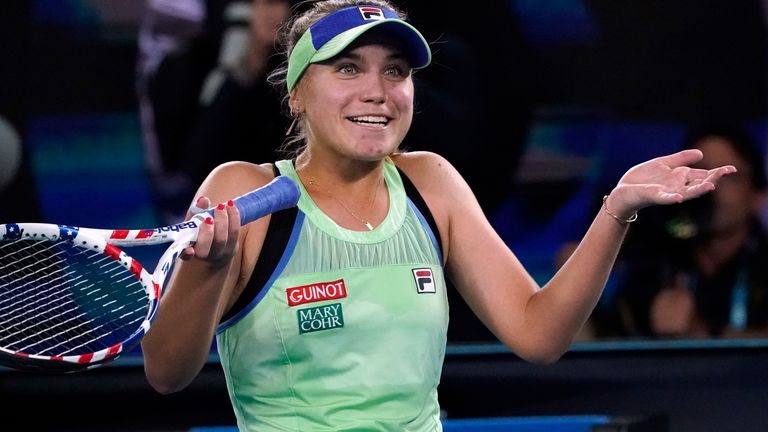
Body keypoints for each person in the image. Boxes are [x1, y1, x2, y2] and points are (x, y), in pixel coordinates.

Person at [140, 1, 736, 429]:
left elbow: (540, 333)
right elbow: (166, 373)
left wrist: (617, 210)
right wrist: (207, 269)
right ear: (296, 93)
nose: (378, 90)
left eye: (395, 71)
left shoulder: (432, 183)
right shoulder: (242, 190)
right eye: (348, 68)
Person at [590, 124, 768, 339]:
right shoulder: (655, 265)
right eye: (698, 173)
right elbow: (609, 343)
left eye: (727, 176)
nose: (709, 186)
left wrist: (700, 333)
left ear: (759, 197)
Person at [137, 0, 294, 222]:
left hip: (285, 212)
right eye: (251, 5)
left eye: (272, 3)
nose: (263, 13)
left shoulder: (304, 68)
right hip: (205, 212)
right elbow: (187, 165)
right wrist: (240, 71)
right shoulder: (181, 68)